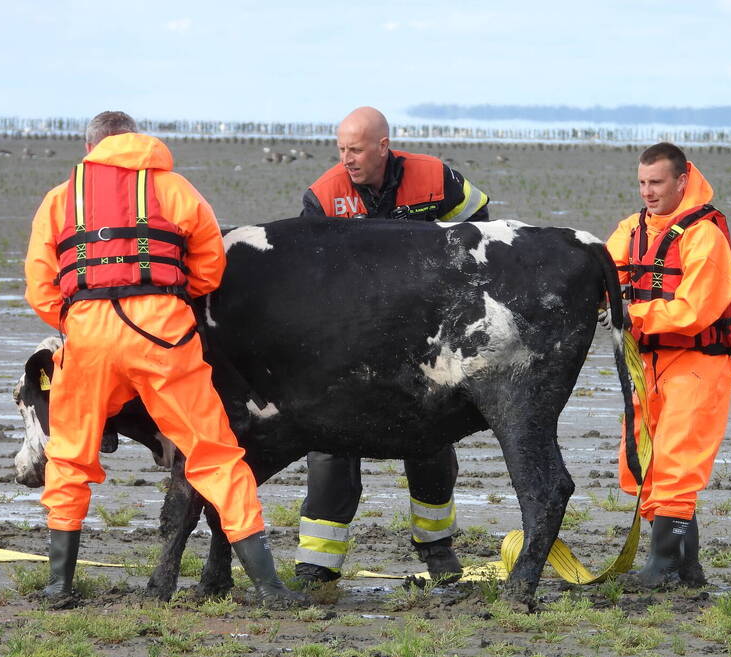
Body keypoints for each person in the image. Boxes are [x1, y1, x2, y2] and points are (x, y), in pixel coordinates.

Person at [24, 111, 308, 608]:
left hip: (87, 335)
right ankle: (269, 587)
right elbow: (209, 267)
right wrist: (173, 300)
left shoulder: (58, 199)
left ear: (90, 146)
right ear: (135, 139)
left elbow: (40, 290)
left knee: (69, 457)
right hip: (163, 334)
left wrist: (75, 320)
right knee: (214, 455)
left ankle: (57, 588)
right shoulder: (176, 189)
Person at [294, 106, 490, 587]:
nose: (347, 160)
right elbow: (307, 272)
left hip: (421, 338)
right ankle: (317, 563)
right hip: (350, 342)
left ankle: (437, 547)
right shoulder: (324, 195)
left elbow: (481, 233)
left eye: (355, 150)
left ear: (383, 146)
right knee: (331, 441)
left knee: (430, 437)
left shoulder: (435, 178)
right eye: (341, 150)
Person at [603, 142, 731, 588]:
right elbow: (607, 278)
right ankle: (686, 568)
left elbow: (694, 311)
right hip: (647, 363)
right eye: (642, 182)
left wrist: (633, 315)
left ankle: (663, 567)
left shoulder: (705, 236)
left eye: (657, 182)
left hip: (698, 363)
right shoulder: (631, 229)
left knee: (677, 463)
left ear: (682, 180)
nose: (648, 191)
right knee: (643, 462)